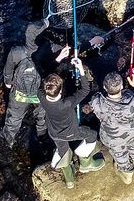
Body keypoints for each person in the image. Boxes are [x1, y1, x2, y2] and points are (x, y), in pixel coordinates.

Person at [39, 59, 103, 188]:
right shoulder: (67, 103)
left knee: (62, 150)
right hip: (71, 133)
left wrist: (55, 61)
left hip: (54, 133)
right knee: (92, 135)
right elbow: (85, 90)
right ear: (61, 91)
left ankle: (69, 180)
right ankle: (86, 163)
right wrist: (81, 70)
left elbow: (43, 81)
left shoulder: (41, 96)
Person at [89, 71, 134, 185]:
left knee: (120, 155)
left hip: (112, 137)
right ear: (121, 86)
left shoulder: (97, 101)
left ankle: (127, 175)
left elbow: (92, 105)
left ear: (104, 87)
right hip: (133, 133)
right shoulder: (132, 100)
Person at [1, 18, 49, 148]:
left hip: (19, 94)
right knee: (42, 115)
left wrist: (8, 82)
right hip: (39, 94)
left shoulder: (16, 51)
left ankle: (8, 141)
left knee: (14, 118)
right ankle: (42, 137)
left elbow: (8, 70)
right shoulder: (48, 51)